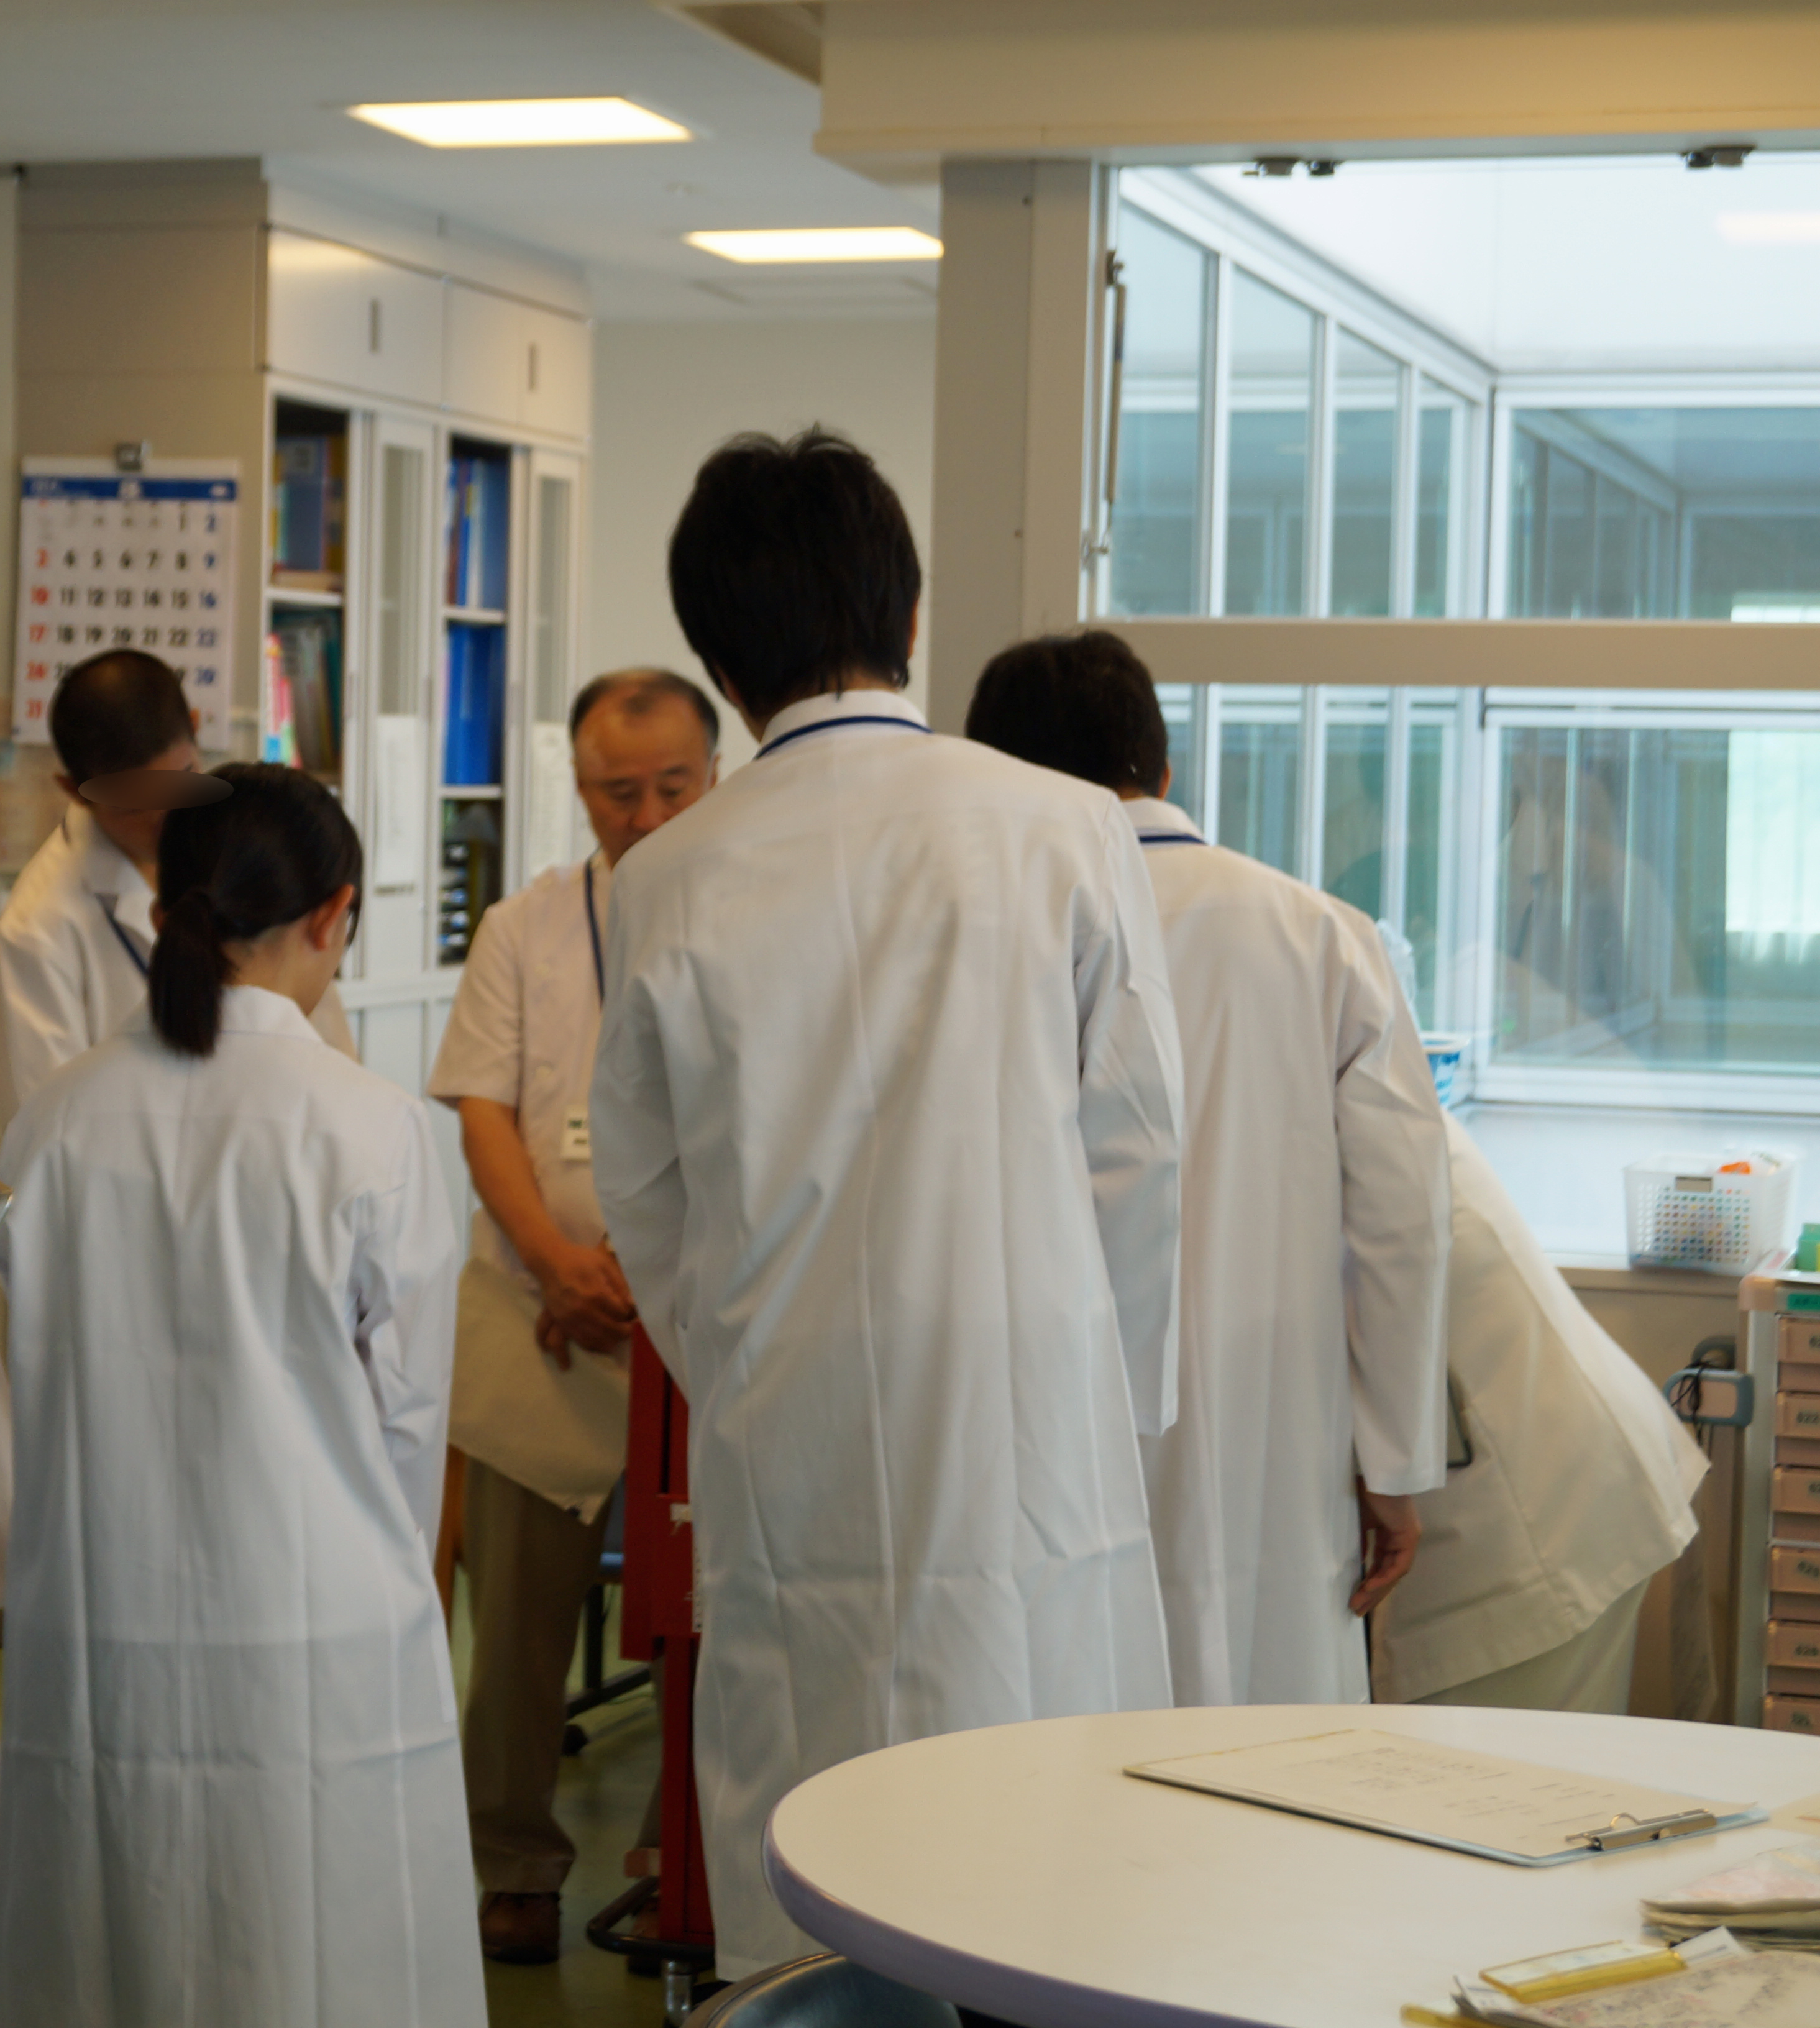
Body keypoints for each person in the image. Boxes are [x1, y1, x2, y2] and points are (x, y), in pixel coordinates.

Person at [588, 431, 1189, 1981]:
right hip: (1029, 1431)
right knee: (1046, 1880)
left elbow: (643, 1194)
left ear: (721, 667)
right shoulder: (1059, 824)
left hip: (788, 1440)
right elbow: (1136, 1145)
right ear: (908, 615)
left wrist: (744, 1362)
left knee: (821, 1874)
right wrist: (1109, 1388)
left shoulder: (662, 878)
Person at [0, 764, 479, 2027]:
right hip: (316, 1627)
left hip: (101, 1621)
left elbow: (32, 1379)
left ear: (167, 905)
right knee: (312, 1954)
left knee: (115, 1948)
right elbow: (408, 1422)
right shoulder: (371, 1128)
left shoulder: (53, 1124)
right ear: (333, 914)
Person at [964, 629, 1453, 1706]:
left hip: (1048, 1428)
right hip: (1273, 1426)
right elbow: (1404, 1221)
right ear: (1163, 764)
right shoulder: (1324, 935)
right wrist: (1395, 1461)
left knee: (1062, 1735)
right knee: (1269, 1749)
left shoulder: (987, 940)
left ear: (999, 772)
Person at [425, 667, 718, 1963]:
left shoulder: (754, 906)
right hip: (542, 1314)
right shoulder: (526, 926)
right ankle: (511, 1865)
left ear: (715, 775)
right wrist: (553, 1261)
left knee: (705, 1618)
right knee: (514, 1626)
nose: (644, 816)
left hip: (696, 1325)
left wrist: (655, 1278)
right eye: (616, 792)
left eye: (671, 787)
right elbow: (483, 1110)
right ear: (579, 786)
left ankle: (674, 1860)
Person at [1372, 1114, 1709, 1712]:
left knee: (1506, 1765)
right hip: (1555, 1471)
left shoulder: (1355, 1116)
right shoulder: (1368, 1102)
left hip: (1539, 1508)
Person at [0, 647, 355, 1149]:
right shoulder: (35, 936)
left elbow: (328, 1045)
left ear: (195, 729)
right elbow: (50, 1136)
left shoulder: (246, 846)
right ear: (73, 789)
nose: (167, 816)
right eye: (133, 805)